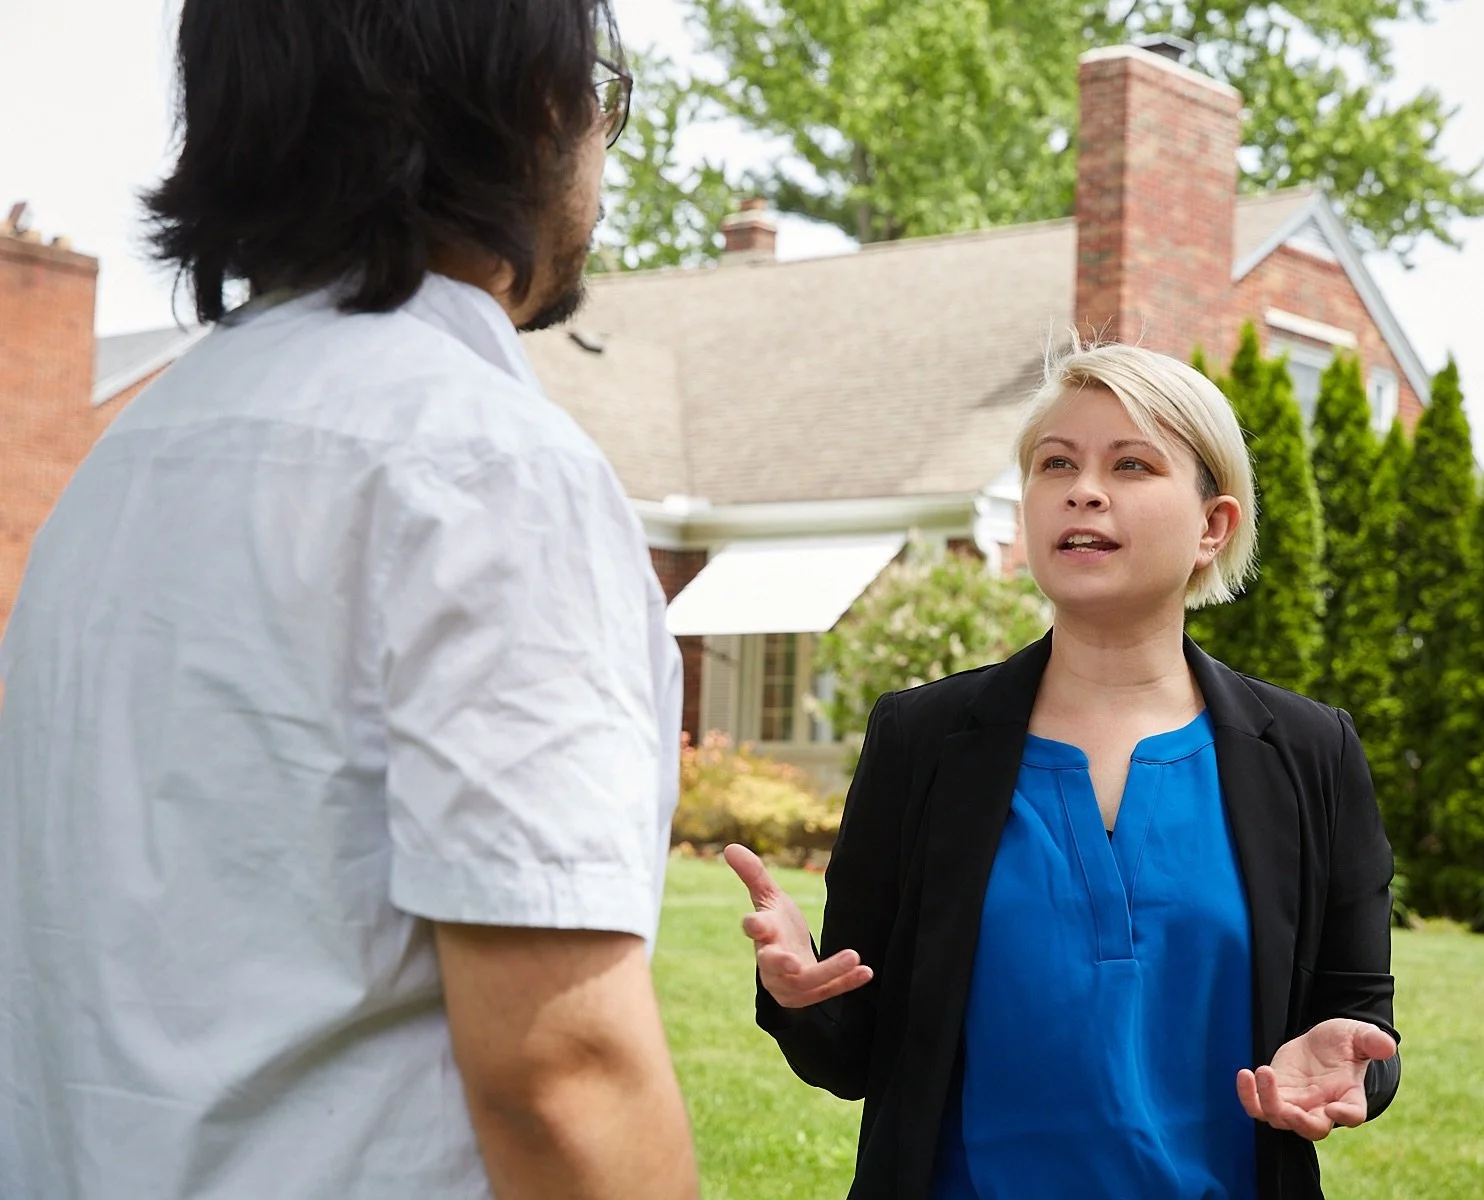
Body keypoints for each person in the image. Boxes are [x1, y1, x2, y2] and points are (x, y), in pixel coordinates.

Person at [0, 2, 699, 1197]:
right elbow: (561, 1074)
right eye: (601, 92)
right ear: (536, 100)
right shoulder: (486, 468)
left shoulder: (121, 468)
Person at [727, 341, 1401, 1199]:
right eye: (1056, 463)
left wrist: (1356, 1067)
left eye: (1131, 464)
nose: (1083, 489)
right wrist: (798, 995)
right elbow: (854, 1053)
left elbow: (1360, 1021)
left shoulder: (1310, 753)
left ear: (1213, 526)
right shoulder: (920, 740)